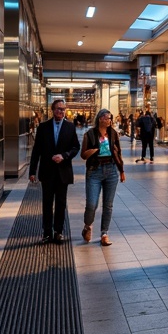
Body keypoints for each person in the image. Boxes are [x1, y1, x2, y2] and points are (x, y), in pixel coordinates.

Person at [30, 99, 80, 243]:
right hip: (47, 172)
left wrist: (64, 156)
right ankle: (47, 232)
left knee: (61, 203)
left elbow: (75, 147)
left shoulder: (70, 127)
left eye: (63, 109)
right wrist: (32, 171)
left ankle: (58, 231)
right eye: (58, 109)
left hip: (63, 172)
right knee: (47, 203)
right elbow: (36, 151)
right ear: (52, 110)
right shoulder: (43, 127)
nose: (61, 111)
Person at [80, 108, 124, 246]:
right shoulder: (90, 134)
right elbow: (83, 155)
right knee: (92, 204)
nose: (109, 120)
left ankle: (104, 233)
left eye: (110, 118)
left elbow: (118, 152)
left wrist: (121, 170)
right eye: (107, 118)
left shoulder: (113, 134)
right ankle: (88, 226)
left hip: (111, 170)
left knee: (108, 205)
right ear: (100, 119)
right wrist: (93, 151)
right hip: (95, 170)